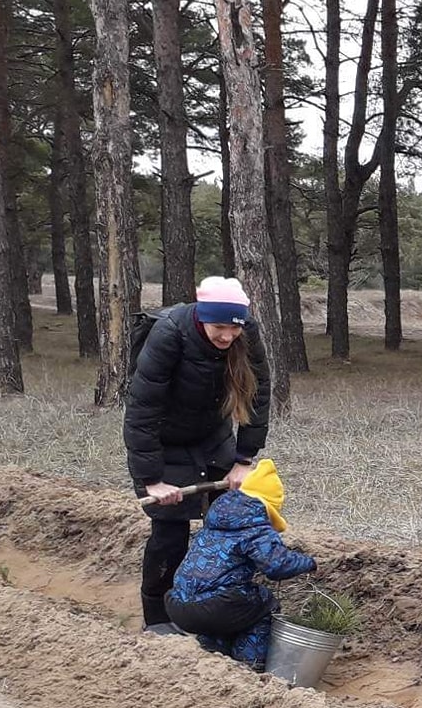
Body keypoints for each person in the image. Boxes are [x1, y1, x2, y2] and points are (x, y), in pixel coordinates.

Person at [124, 276, 273, 632]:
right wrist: (152, 480)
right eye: (218, 327)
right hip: (166, 440)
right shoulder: (169, 335)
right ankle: (159, 619)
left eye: (233, 328)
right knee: (169, 534)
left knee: (226, 527)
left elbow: (257, 395)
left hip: (212, 435)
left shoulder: (245, 332)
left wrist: (243, 460)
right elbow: (142, 410)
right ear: (202, 317)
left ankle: (216, 613)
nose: (227, 336)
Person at [164, 460, 315, 668]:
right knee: (263, 603)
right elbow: (277, 566)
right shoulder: (256, 527)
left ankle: (213, 657)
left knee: (232, 605)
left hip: (177, 603)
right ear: (268, 507)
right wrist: (309, 562)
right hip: (213, 606)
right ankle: (249, 667)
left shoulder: (216, 521)